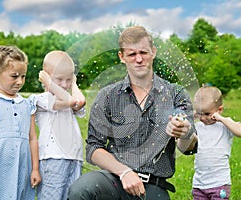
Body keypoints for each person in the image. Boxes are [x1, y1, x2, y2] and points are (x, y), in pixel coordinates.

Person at [68, 26, 196, 200]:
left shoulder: (175, 93)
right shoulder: (107, 95)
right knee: (82, 189)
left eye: (143, 52)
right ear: (122, 57)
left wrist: (184, 132)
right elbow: (94, 148)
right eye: (131, 54)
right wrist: (124, 171)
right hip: (113, 180)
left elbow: (188, 147)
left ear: (153, 52)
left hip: (153, 186)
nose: (139, 59)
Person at [0, 45, 41, 199]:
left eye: (23, 76)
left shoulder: (27, 105)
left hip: (22, 169)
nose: (20, 81)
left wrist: (35, 169)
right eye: (14, 76)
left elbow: (32, 138)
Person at [34, 50, 86, 200]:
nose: (65, 84)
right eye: (59, 80)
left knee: (72, 196)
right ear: (46, 77)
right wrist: (49, 84)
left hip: (74, 157)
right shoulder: (42, 100)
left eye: (68, 80)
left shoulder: (69, 96)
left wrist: (74, 83)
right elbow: (70, 102)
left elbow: (80, 101)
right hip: (53, 158)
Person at [191, 86, 241, 200]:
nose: (202, 118)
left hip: (220, 183)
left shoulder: (224, 125)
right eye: (199, 113)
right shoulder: (197, 127)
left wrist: (222, 119)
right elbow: (184, 138)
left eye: (206, 114)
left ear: (219, 110)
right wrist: (191, 117)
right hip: (199, 183)